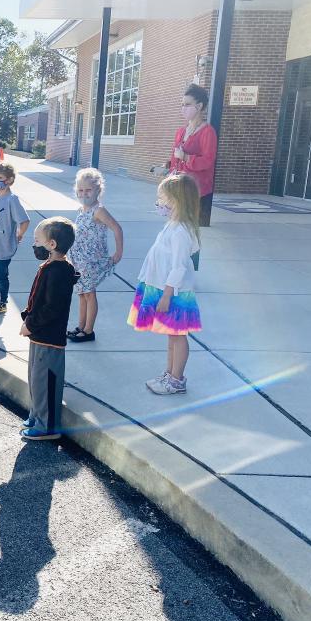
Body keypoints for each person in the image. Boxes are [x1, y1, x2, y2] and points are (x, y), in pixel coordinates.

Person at [128, 173, 202, 395]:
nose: (160, 202)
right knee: (172, 335)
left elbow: (178, 267)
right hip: (164, 288)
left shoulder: (180, 232)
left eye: (164, 198)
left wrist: (167, 295)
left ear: (178, 201)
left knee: (179, 336)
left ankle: (177, 380)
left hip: (175, 293)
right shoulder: (172, 225)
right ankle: (169, 374)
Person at [19, 217, 78, 440]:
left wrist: (30, 324)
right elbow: (38, 299)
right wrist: (27, 319)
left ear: (52, 244)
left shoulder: (60, 271)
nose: (35, 245)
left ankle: (48, 426)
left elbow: (53, 307)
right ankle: (37, 414)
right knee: (36, 379)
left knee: (46, 382)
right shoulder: (50, 266)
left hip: (49, 337)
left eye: (37, 240)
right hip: (38, 334)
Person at [66, 168, 124, 342]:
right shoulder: (81, 209)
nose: (84, 193)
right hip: (79, 261)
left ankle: (89, 330)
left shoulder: (98, 210)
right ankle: (81, 326)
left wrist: (118, 252)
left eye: (88, 190)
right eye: (81, 190)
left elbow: (117, 228)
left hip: (92, 261)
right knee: (82, 293)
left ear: (98, 190)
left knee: (90, 294)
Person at [169, 84, 217, 227]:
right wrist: (168, 169)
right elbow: (174, 157)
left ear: (199, 106)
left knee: (192, 233)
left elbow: (208, 161)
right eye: (182, 104)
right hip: (179, 189)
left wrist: (186, 158)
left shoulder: (208, 132)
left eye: (188, 104)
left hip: (197, 192)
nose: (183, 108)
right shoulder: (181, 132)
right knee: (177, 230)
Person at [0, 161, 30, 315]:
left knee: (1, 276)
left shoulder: (12, 199)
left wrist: (19, 235)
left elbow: (24, 221)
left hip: (3, 248)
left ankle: (2, 301)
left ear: (9, 180)